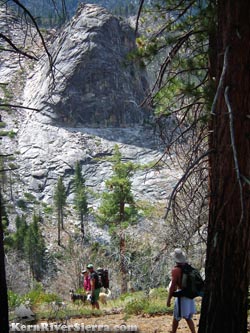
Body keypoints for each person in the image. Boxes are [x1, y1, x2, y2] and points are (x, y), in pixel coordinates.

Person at [166, 248, 196, 333]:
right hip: (190, 296)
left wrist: (169, 299)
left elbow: (172, 286)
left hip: (181, 296)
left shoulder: (176, 270)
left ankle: (174, 331)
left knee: (177, 316)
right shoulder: (189, 268)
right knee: (187, 317)